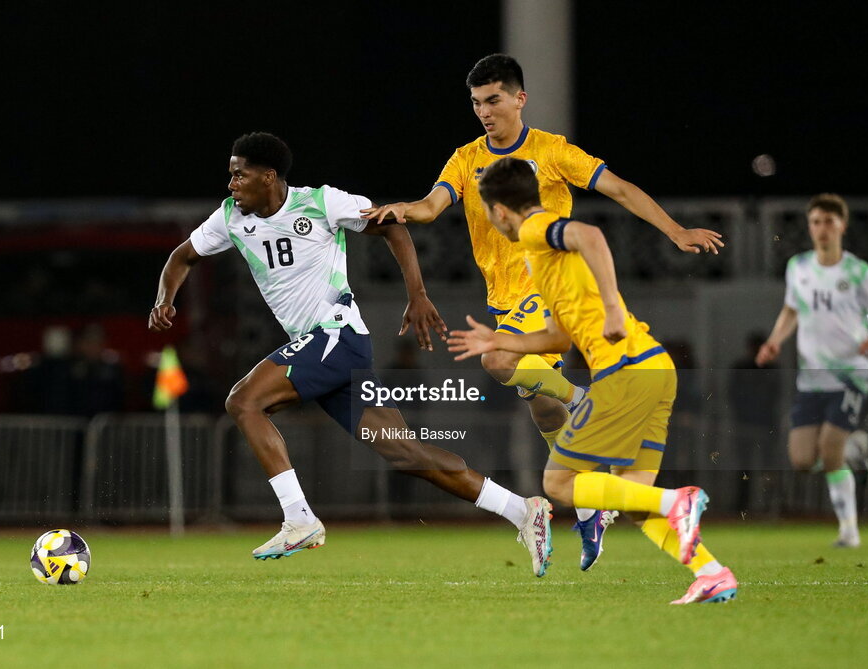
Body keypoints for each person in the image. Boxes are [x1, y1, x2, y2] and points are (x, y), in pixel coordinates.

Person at [362, 53, 723, 569]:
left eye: (493, 100)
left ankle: (583, 404)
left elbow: (617, 188)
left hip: (545, 292)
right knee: (540, 406)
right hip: (505, 300)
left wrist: (676, 231)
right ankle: (608, 513)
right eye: (476, 103)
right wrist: (397, 210)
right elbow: (429, 206)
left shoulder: (552, 152)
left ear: (518, 98)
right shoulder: (465, 158)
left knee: (497, 361)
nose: (484, 111)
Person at [149, 132, 554, 576]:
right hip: (323, 349)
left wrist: (416, 294)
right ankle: (522, 510)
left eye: (238, 175)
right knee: (407, 454)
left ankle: (299, 519)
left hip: (335, 335)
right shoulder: (229, 217)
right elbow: (181, 257)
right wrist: (164, 298)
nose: (231, 184)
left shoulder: (322, 203)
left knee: (244, 401)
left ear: (268, 177)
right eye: (230, 175)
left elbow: (391, 226)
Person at [447, 157, 737, 604]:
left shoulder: (533, 230)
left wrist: (614, 307)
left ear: (500, 211)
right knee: (632, 497)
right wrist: (498, 340)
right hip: (655, 369)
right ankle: (712, 572)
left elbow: (592, 235)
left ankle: (675, 502)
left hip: (623, 375)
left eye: (486, 211)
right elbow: (559, 335)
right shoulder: (542, 260)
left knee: (558, 484)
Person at [756, 193, 868, 548]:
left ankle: (849, 530)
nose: (822, 229)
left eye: (829, 222)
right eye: (816, 222)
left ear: (842, 226)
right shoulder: (799, 267)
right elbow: (792, 310)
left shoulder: (858, 272)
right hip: (811, 378)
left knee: (829, 449)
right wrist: (775, 340)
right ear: (810, 227)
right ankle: (854, 449)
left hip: (851, 374)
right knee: (802, 459)